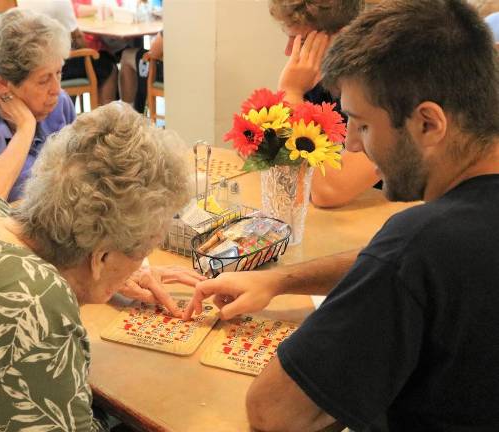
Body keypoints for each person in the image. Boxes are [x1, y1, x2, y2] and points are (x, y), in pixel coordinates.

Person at [185, 0, 499, 430]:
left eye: (363, 125)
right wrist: (278, 280)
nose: (351, 144)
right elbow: (397, 264)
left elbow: (272, 410)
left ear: (428, 124)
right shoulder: (437, 243)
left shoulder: (420, 244)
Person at [0, 101, 204, 430]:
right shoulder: (41, 303)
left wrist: (105, 274)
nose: (140, 265)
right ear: (101, 257)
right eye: (142, 253)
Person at [271, 0, 381, 208]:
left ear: (343, 36)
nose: (289, 52)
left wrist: (291, 93)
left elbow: (328, 190)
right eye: (289, 40)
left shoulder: (386, 85)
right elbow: (279, 165)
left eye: (301, 42)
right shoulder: (319, 83)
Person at [0, 8, 75, 202]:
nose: (56, 89)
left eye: (58, 73)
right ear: (4, 85)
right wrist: (25, 129)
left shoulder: (60, 103)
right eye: (43, 80)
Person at [18, 0, 119, 106]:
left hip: (28, 64)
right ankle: (106, 118)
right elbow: (76, 37)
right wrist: (91, 48)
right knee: (107, 64)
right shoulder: (61, 2)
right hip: (53, 67)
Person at [120, 32, 164, 114]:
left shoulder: (172, 25)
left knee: (126, 55)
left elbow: (154, 51)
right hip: (189, 72)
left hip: (167, 73)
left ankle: (128, 115)